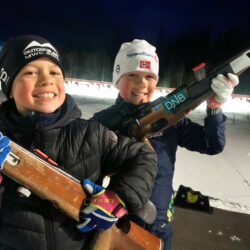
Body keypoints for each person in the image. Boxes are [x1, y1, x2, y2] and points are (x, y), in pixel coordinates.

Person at [0, 35, 157, 250]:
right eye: (31, 72)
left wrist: (118, 198)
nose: (47, 80)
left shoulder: (89, 134)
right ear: (8, 84)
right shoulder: (2, 141)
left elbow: (143, 156)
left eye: (54, 72)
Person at [92, 39, 239, 249]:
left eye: (149, 76)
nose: (142, 84)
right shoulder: (101, 121)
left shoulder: (168, 115)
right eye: (132, 75)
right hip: (116, 223)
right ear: (117, 78)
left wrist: (214, 108)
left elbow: (211, 144)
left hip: (160, 223)